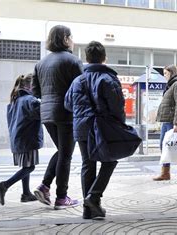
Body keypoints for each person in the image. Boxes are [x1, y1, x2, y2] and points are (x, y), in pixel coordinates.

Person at [64, 41, 124, 219]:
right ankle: (94, 196)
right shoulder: (108, 78)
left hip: (81, 128)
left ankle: (88, 210)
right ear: (104, 58)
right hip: (102, 127)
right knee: (110, 160)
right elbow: (117, 106)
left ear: (87, 59)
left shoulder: (77, 80)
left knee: (87, 164)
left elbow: (68, 104)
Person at [32, 25, 83, 210]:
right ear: (65, 39)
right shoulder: (73, 61)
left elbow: (36, 91)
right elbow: (82, 88)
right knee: (66, 155)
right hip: (66, 113)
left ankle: (45, 186)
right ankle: (61, 197)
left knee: (62, 151)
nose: (73, 40)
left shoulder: (40, 63)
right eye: (71, 37)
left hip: (46, 114)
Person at [0, 74, 42, 206]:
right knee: (30, 167)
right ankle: (5, 185)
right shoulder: (30, 100)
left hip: (18, 139)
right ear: (30, 85)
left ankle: (26, 194)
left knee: (26, 165)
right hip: (28, 138)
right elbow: (41, 114)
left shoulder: (15, 100)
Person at [153, 65, 177, 181]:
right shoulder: (171, 85)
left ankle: (165, 173)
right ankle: (165, 172)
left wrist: (176, 123)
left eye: (165, 73)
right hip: (167, 120)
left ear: (171, 73)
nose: (164, 75)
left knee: (166, 146)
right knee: (163, 146)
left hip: (172, 121)